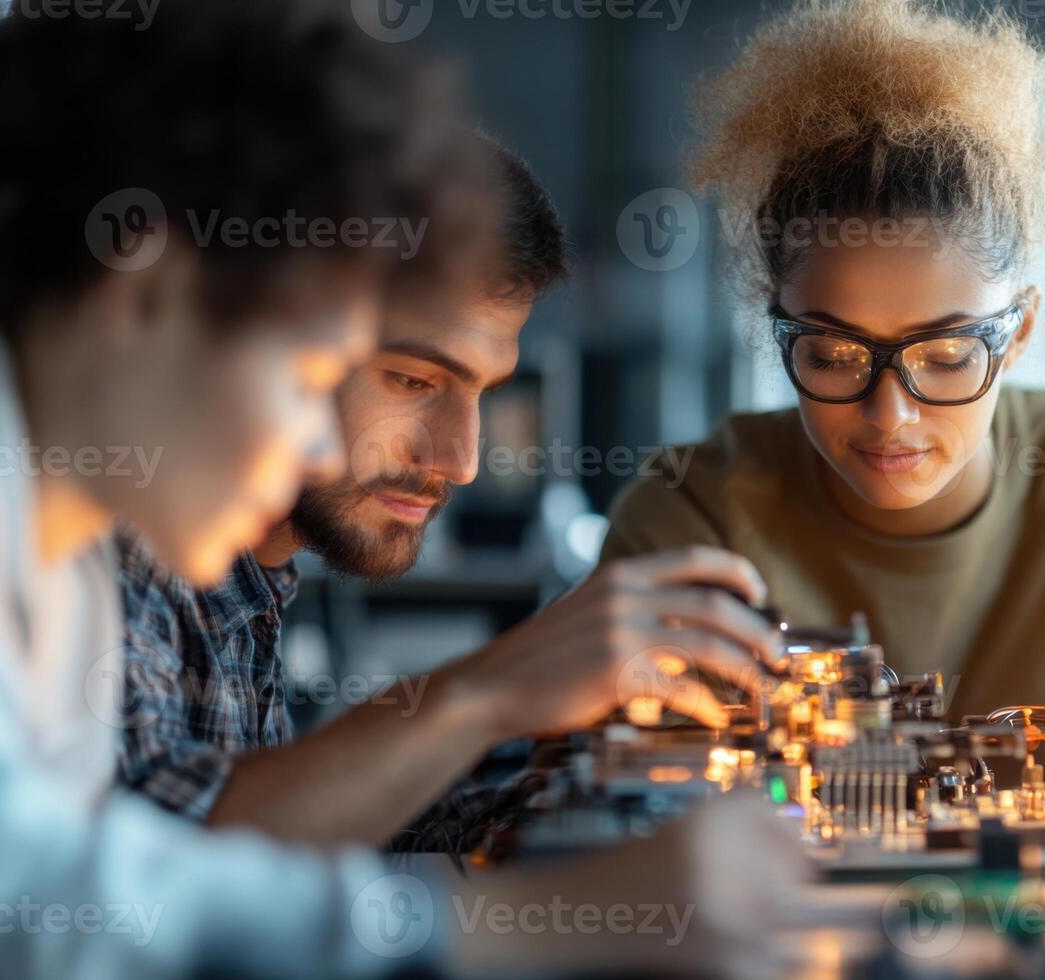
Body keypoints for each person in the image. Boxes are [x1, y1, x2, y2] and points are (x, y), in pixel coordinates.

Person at [0, 3, 802, 975]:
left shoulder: (69, 558)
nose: (311, 438)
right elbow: (70, 903)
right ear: (147, 293)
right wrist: (541, 910)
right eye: (310, 374)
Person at [116, 131, 784, 849]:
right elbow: (168, 883)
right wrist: (491, 690)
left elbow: (299, 856)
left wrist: (573, 797)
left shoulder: (249, 579)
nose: (462, 461)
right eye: (412, 380)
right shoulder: (115, 550)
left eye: (485, 393)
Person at [601, 0, 1045, 744]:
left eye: (944, 357)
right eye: (833, 355)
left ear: (1021, 330)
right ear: (775, 328)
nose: (889, 415)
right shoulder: (692, 518)